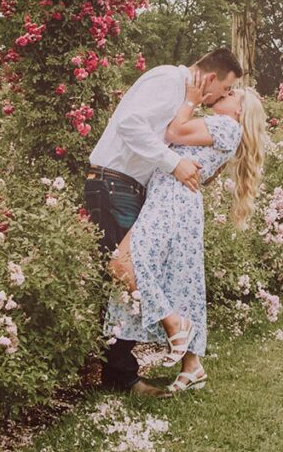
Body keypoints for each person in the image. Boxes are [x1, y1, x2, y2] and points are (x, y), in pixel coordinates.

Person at [84, 48, 242, 398]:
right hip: (113, 182)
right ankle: (137, 360)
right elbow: (129, 125)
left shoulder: (182, 95)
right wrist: (172, 162)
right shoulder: (169, 79)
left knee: (128, 273)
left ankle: (119, 375)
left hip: (127, 186)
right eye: (224, 89)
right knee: (123, 267)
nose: (218, 97)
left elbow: (172, 136)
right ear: (211, 79)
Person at [103, 82, 267, 394]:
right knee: (181, 279)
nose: (225, 93)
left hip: (171, 200)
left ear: (240, 111)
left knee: (123, 262)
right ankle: (192, 366)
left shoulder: (224, 125)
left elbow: (172, 134)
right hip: (177, 201)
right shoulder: (224, 130)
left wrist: (190, 100)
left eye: (232, 95)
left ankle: (173, 322)